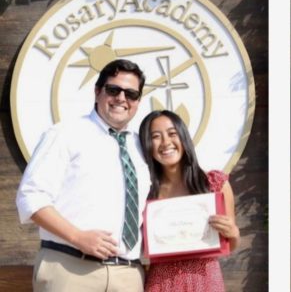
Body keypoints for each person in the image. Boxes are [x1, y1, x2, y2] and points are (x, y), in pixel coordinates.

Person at [16, 59, 151, 291]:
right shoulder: (65, 134)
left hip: (128, 275)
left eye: (131, 94)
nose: (121, 98)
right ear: (97, 91)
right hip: (70, 269)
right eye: (113, 90)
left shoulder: (142, 147)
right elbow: (31, 198)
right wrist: (78, 237)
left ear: (138, 101)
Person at [138, 110, 240, 291]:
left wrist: (233, 232)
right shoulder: (144, 193)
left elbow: (230, 245)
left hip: (205, 280)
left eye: (172, 133)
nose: (166, 142)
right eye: (155, 136)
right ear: (147, 145)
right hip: (161, 282)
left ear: (183, 137)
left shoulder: (215, 184)